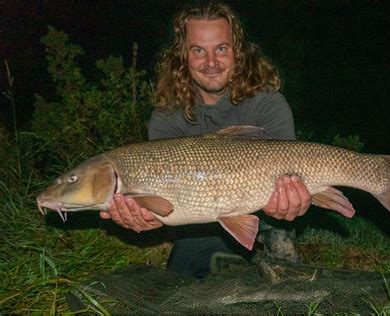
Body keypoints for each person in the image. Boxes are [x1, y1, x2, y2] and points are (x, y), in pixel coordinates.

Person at [99, 2, 311, 278]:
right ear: (183, 56)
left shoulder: (268, 104)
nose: (211, 63)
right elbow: (163, 207)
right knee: (182, 278)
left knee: (283, 268)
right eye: (198, 50)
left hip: (267, 220)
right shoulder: (167, 116)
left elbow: (295, 176)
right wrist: (144, 217)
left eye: (221, 48)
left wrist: (294, 202)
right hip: (198, 222)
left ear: (238, 51)